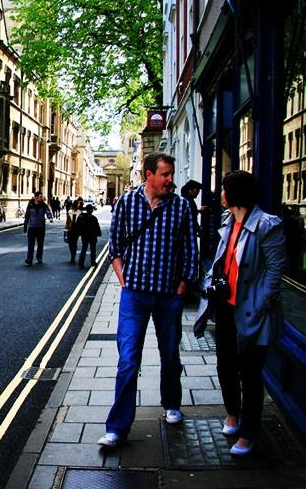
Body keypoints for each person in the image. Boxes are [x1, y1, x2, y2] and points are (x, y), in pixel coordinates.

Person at [97, 152, 198, 448]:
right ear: (148, 175)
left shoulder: (180, 207)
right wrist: (123, 281)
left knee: (170, 355)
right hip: (135, 297)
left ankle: (171, 404)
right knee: (128, 360)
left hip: (168, 297)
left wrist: (181, 287)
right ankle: (117, 427)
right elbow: (114, 248)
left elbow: (190, 251)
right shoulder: (127, 203)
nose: (171, 180)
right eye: (165, 174)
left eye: (172, 173)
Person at [193, 170, 286, 456]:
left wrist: (261, 303)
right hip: (226, 308)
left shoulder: (267, 226)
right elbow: (221, 262)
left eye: (223, 188)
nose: (220, 193)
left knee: (251, 373)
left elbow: (275, 269)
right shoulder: (229, 221)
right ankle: (232, 414)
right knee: (225, 365)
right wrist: (210, 284)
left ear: (235, 193)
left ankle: (249, 433)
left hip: (252, 312)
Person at [23, 191, 53, 265]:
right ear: (36, 197)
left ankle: (39, 258)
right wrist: (25, 225)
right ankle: (29, 259)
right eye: (40, 196)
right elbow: (27, 215)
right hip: (32, 227)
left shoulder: (43, 205)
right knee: (31, 244)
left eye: (41, 196)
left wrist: (50, 217)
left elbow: (47, 211)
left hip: (41, 227)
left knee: (40, 244)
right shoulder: (30, 204)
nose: (41, 198)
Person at [75, 204, 101, 268]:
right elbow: (97, 227)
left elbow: (78, 226)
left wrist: (79, 233)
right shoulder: (94, 218)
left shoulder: (81, 217)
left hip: (84, 235)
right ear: (91, 210)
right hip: (92, 236)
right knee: (93, 250)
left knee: (84, 249)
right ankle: (93, 262)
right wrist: (98, 233)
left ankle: (81, 263)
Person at [65, 197, 84, 263]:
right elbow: (67, 221)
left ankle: (73, 257)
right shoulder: (70, 212)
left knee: (74, 243)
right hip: (70, 230)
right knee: (70, 243)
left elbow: (82, 223)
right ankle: (72, 254)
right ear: (75, 204)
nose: (79, 204)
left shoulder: (80, 213)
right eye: (78, 203)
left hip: (76, 230)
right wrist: (66, 229)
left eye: (79, 203)